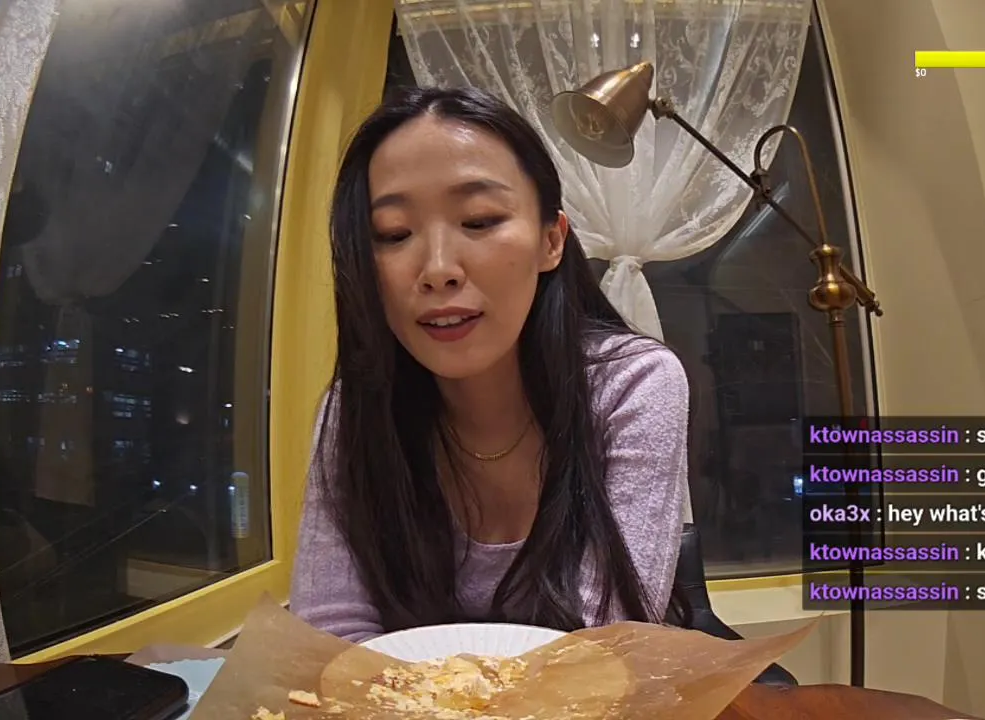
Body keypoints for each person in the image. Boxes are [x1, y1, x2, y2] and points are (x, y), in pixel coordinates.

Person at [290, 85, 692, 641]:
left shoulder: (632, 385)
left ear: (551, 241)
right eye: (394, 234)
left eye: (478, 221)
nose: (437, 269)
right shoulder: (355, 409)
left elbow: (605, 645)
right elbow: (330, 635)